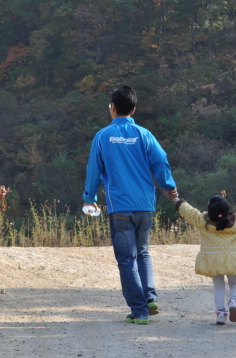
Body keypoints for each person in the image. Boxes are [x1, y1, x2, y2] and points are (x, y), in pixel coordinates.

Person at [82, 86, 178, 325]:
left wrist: (89, 198)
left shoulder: (103, 136)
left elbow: (94, 170)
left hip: (120, 207)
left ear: (112, 108)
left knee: (126, 259)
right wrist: (168, 186)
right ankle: (150, 298)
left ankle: (139, 310)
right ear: (133, 110)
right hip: (145, 205)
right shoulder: (144, 134)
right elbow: (161, 160)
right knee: (142, 252)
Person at [171, 194, 236, 325]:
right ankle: (234, 302)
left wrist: (176, 199)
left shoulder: (202, 221)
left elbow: (189, 211)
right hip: (232, 259)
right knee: (234, 283)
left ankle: (220, 314)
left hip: (213, 261)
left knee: (218, 287)